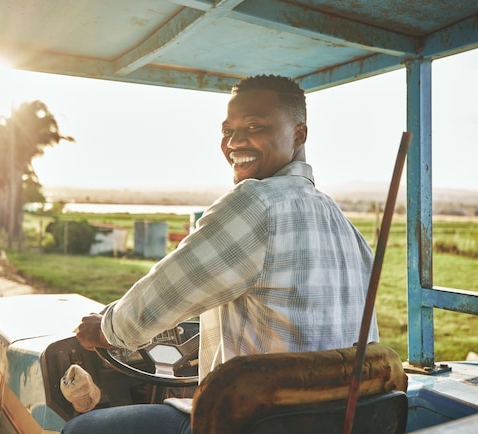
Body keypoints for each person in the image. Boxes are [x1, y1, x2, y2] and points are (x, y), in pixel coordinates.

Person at [61, 74, 378, 434]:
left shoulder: (256, 203)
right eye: (227, 130)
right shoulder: (344, 225)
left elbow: (165, 294)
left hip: (255, 422)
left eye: (254, 125)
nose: (234, 142)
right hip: (337, 422)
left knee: (81, 430)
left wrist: (105, 329)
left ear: (298, 135)